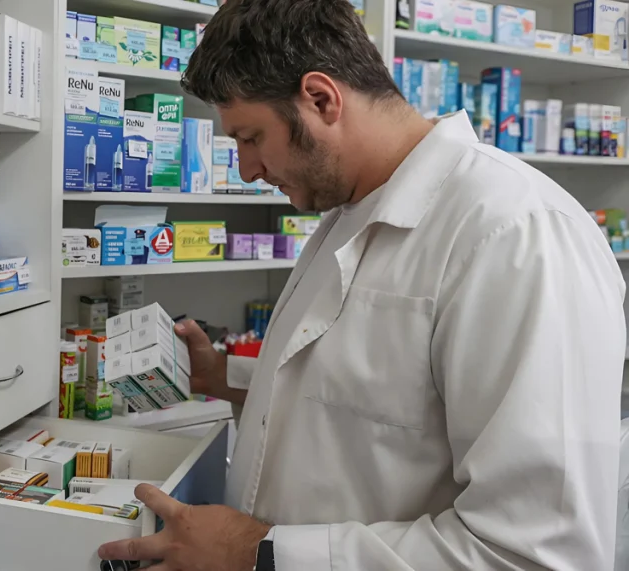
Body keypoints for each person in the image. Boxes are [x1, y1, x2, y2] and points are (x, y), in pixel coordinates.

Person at [97, 0, 627, 569]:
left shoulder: (517, 234)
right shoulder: (349, 210)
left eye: (250, 137)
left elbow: (536, 551)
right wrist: (223, 376)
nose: (248, 169)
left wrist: (253, 552)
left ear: (321, 99)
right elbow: (368, 394)